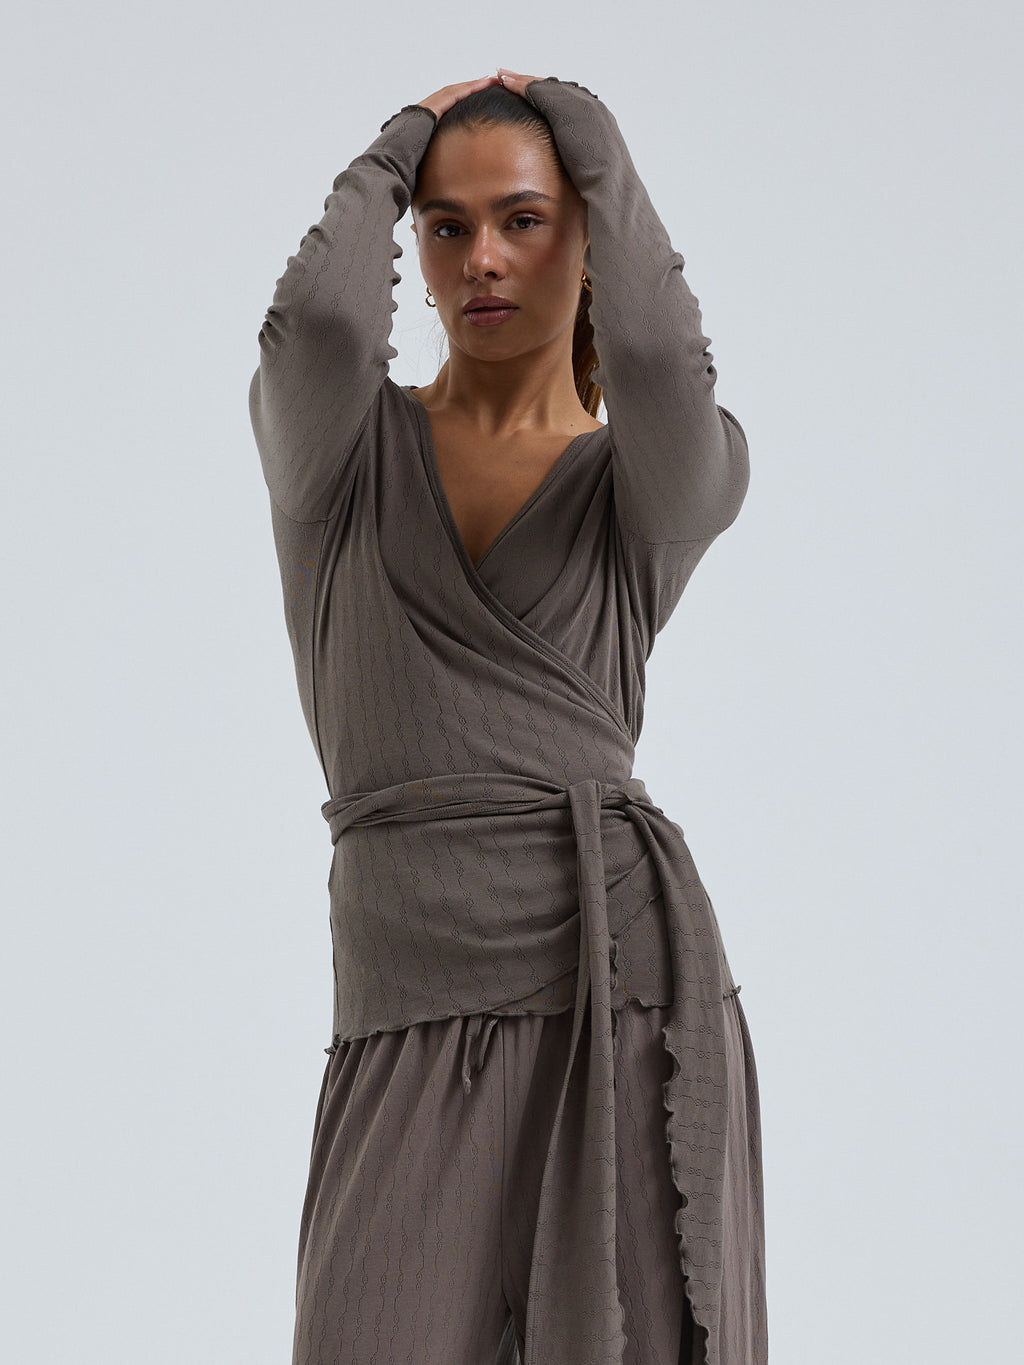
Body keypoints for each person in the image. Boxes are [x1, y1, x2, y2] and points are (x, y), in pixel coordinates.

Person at [248, 67, 767, 1365]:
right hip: (401, 999)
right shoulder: (339, 458)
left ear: (584, 239)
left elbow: (659, 360)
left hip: (618, 990)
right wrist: (396, 147)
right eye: (448, 225)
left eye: (524, 220)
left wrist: (594, 144)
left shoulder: (647, 487)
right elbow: (316, 327)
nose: (482, 257)